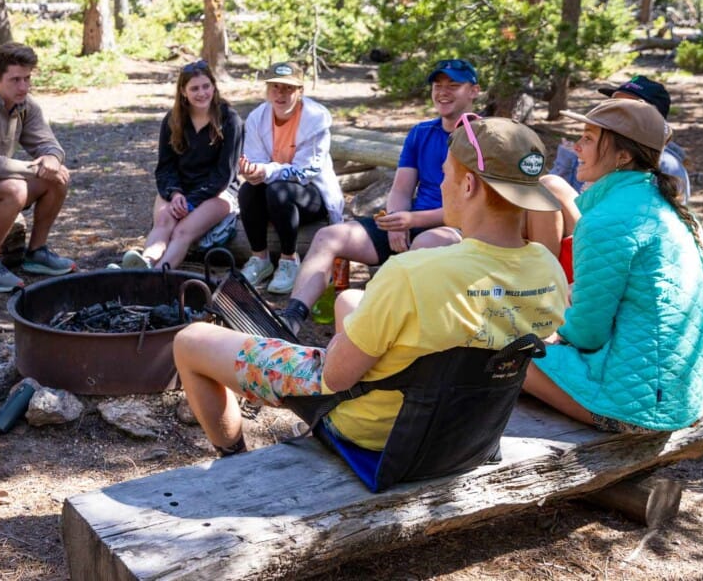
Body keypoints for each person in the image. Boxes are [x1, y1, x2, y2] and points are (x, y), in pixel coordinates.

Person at [173, 116, 568, 458]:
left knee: (190, 341)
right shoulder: (549, 271)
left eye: (446, 174)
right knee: (351, 301)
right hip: (464, 434)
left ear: (469, 187)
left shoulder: (415, 272)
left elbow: (336, 376)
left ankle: (233, 459)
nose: (443, 183)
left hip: (379, 436)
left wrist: (326, 351)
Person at [524, 99, 703, 433]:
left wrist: (553, 332)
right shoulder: (672, 210)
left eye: (588, 139)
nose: (576, 146)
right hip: (681, 397)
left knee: (504, 355)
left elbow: (587, 334)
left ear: (622, 157)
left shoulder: (605, 221)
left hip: (637, 408)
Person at [277, 58, 477, 334]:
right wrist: (396, 221)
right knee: (329, 236)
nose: (443, 91)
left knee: (425, 243)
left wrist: (409, 220)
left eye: (453, 85)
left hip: (458, 229)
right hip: (412, 220)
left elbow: (471, 207)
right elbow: (401, 189)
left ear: (473, 91)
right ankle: (291, 320)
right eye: (437, 85)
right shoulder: (421, 133)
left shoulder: (481, 136)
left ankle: (374, 328)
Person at [0, 42, 77, 293]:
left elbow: (49, 144)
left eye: (27, 78)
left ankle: (36, 252)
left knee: (57, 178)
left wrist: (52, 160)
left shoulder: (25, 106)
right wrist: (36, 168)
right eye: (15, 80)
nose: (23, 86)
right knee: (15, 188)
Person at [530, 75, 691, 261]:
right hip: (586, 241)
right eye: (612, 101)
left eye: (623, 105)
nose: (611, 108)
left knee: (551, 185)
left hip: (603, 247)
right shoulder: (598, 152)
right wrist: (566, 162)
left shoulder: (664, 165)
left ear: (650, 116)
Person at [121, 59, 243, 270]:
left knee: (182, 232)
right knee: (163, 222)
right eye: (194, 88)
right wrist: (176, 194)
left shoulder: (230, 120)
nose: (202, 93)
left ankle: (159, 275)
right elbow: (165, 167)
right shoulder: (173, 119)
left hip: (218, 192)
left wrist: (190, 202)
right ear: (183, 91)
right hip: (180, 189)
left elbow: (224, 174)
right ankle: (145, 264)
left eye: (206, 86)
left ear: (214, 86)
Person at [236, 62, 345, 294]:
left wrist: (266, 171)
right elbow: (256, 160)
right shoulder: (257, 118)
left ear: (300, 91)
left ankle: (289, 260)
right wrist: (253, 171)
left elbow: (305, 172)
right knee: (247, 190)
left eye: (288, 88)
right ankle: (260, 259)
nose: (281, 94)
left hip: (311, 195)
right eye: (275, 87)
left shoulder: (316, 118)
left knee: (279, 190)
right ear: (267, 91)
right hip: (272, 192)